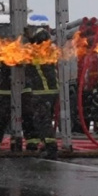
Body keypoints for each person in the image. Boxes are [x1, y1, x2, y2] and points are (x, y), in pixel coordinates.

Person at [24, 29, 59, 159]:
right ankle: (46, 145)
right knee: (46, 119)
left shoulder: (37, 52)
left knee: (42, 121)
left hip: (42, 92)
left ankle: (51, 149)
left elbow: (23, 60)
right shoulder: (50, 50)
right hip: (51, 91)